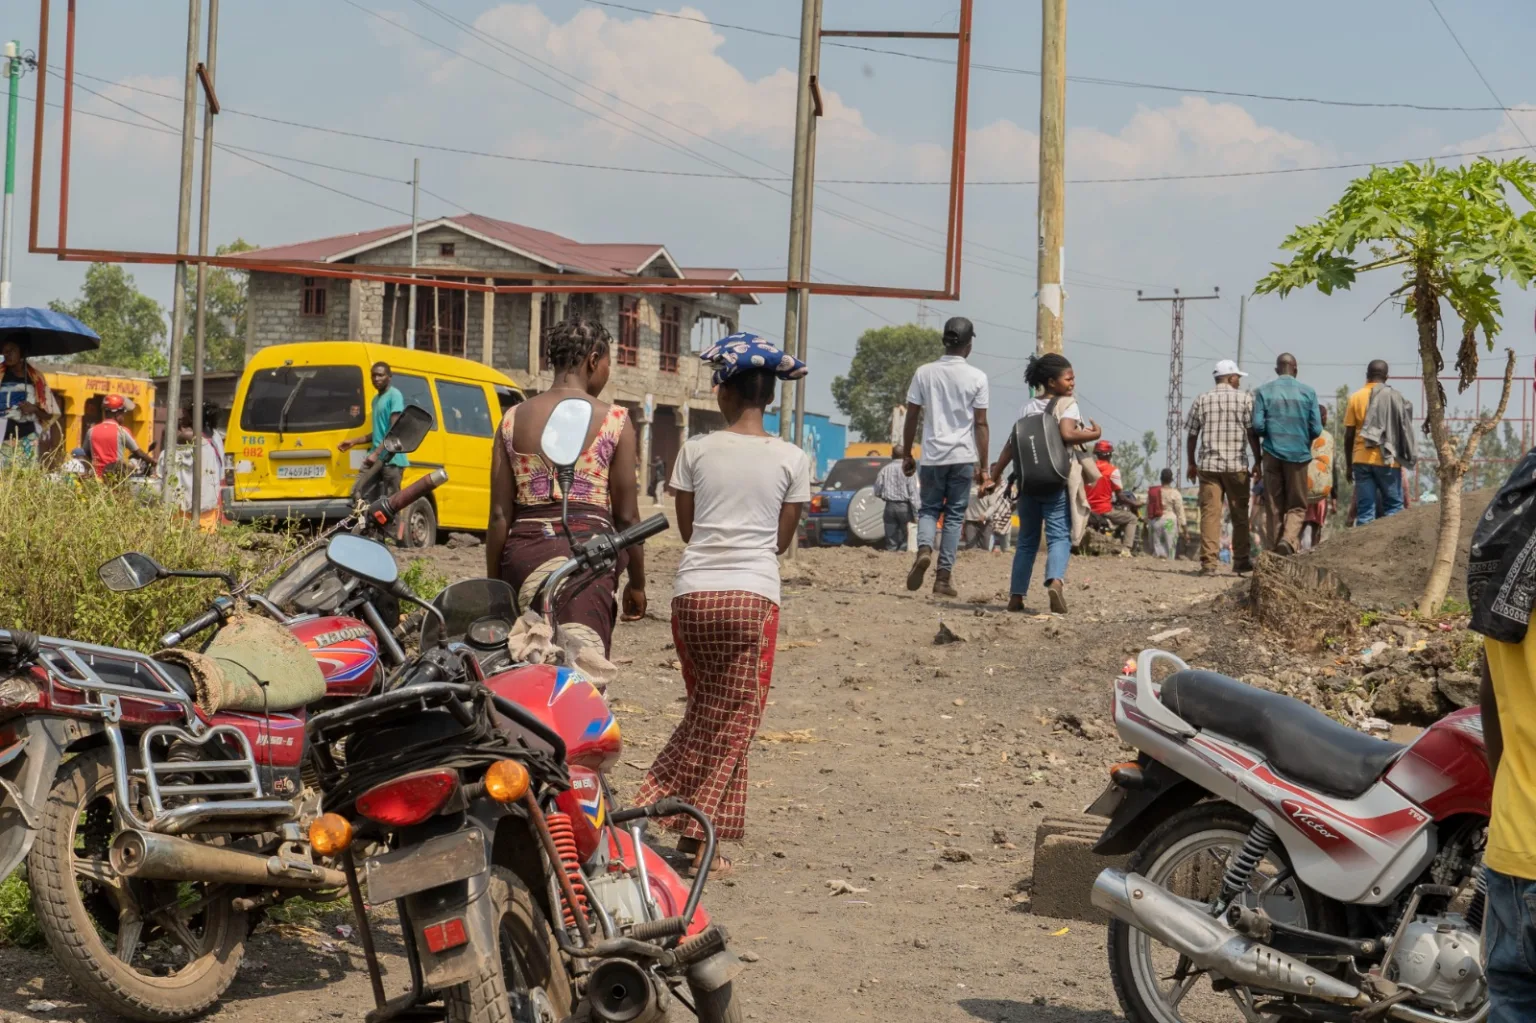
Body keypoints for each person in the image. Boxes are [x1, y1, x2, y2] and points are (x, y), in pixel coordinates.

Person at [635, 333, 811, 879]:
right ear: (770, 396)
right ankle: (673, 818)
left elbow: (689, 530)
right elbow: (780, 542)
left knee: (707, 711)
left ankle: (677, 825)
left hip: (692, 596)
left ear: (724, 393)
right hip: (751, 596)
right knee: (734, 722)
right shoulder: (792, 458)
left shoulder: (695, 450)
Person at [487, 318, 646, 657]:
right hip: (590, 560)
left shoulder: (512, 418)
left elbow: (499, 515)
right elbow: (627, 517)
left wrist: (495, 587)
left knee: (527, 661)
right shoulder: (615, 420)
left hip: (523, 556)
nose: (607, 373)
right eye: (608, 364)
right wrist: (638, 582)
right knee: (583, 664)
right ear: (593, 360)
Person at [988, 353, 1100, 613]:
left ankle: (1016, 596)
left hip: (1028, 484)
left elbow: (1011, 445)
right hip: (1054, 483)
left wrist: (995, 476)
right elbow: (1067, 434)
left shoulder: (1026, 408)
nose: (1072, 383)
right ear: (1052, 382)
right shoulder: (1068, 404)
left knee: (1026, 541)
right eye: (1068, 379)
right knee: (1058, 535)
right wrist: (1094, 434)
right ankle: (1055, 581)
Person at [899, 316, 990, 598]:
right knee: (953, 517)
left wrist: (907, 453)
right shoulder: (978, 377)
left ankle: (924, 549)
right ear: (969, 345)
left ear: (944, 341)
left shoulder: (924, 373)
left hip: (932, 456)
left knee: (929, 509)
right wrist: (985, 467)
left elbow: (911, 415)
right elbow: (981, 424)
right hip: (962, 457)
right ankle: (943, 578)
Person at [1186, 360, 1260, 576]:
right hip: (1236, 467)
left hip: (1209, 467)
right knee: (1239, 515)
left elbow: (1192, 434)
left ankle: (1209, 564)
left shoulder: (1202, 399)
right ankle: (1241, 561)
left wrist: (1191, 463)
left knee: (1210, 515)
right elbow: (1252, 433)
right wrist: (1258, 461)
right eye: (1238, 377)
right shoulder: (1245, 399)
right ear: (1231, 377)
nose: (1239, 381)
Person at [1251, 353, 1321, 555]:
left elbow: (1257, 426)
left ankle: (1273, 552)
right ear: (1295, 370)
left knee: (1273, 505)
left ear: (1276, 370)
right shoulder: (1309, 392)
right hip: (1298, 455)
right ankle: (1288, 540)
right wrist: (1301, 436)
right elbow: (1316, 429)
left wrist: (1272, 433)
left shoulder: (1263, 391)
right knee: (1297, 505)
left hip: (1271, 454)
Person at [1344, 360, 1413, 524]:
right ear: (1387, 377)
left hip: (1362, 460)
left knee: (1365, 511)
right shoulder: (1396, 398)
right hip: (1389, 461)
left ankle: (1364, 541)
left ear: (1367, 375)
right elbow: (1404, 431)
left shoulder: (1356, 398)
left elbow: (1349, 435)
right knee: (1394, 509)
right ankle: (1392, 541)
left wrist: (1349, 465)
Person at [339, 361, 409, 507]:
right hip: (376, 457)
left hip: (391, 459)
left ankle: (392, 524)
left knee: (391, 504)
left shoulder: (394, 395)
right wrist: (354, 441)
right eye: (373, 375)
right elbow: (379, 432)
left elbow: (394, 429)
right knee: (358, 492)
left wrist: (376, 453)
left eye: (380, 375)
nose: (376, 379)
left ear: (389, 377)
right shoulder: (376, 400)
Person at [0, 340, 60, 467]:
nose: (7, 354)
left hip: (28, 440)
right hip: (2, 439)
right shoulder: (1, 375)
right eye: (5, 351)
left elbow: (49, 414)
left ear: (22, 352)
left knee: (25, 476)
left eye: (12, 350)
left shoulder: (36, 378)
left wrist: (34, 409)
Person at [159, 410, 221, 532]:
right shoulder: (210, 449)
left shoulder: (167, 454)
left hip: (176, 514)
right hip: (205, 515)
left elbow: (160, 479)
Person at [1085, 440, 1140, 556]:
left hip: (1088, 509)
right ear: (1109, 454)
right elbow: (1120, 497)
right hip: (1104, 510)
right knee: (1132, 519)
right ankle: (1126, 549)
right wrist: (1135, 503)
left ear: (1096, 454)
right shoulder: (1113, 471)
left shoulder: (1088, 468)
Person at [1300, 406, 1340, 551]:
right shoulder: (1327, 438)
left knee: (1301, 523)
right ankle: (1312, 552)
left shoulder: (1301, 435)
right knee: (1315, 526)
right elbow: (1331, 468)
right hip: (1320, 489)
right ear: (1322, 418)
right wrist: (1334, 496)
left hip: (1302, 487)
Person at [88, 394, 148, 479]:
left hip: (96, 479)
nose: (124, 417)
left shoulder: (91, 431)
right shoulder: (122, 431)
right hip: (114, 479)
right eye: (123, 413)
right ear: (117, 414)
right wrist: (153, 462)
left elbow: (85, 453)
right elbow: (139, 453)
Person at [872, 454, 919, 552]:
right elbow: (914, 493)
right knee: (906, 537)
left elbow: (877, 490)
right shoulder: (909, 469)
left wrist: (883, 496)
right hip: (905, 507)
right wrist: (916, 513)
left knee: (891, 535)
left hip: (889, 506)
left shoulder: (885, 469)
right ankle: (902, 554)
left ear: (892, 455)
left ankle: (891, 554)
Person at [1148, 468, 1186, 560]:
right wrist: (1185, 529)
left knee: (1157, 548)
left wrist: (1147, 523)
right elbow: (1180, 513)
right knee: (1170, 549)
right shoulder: (1175, 493)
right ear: (1171, 480)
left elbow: (1148, 509)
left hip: (1156, 522)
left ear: (1160, 479)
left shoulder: (1154, 492)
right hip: (1170, 522)